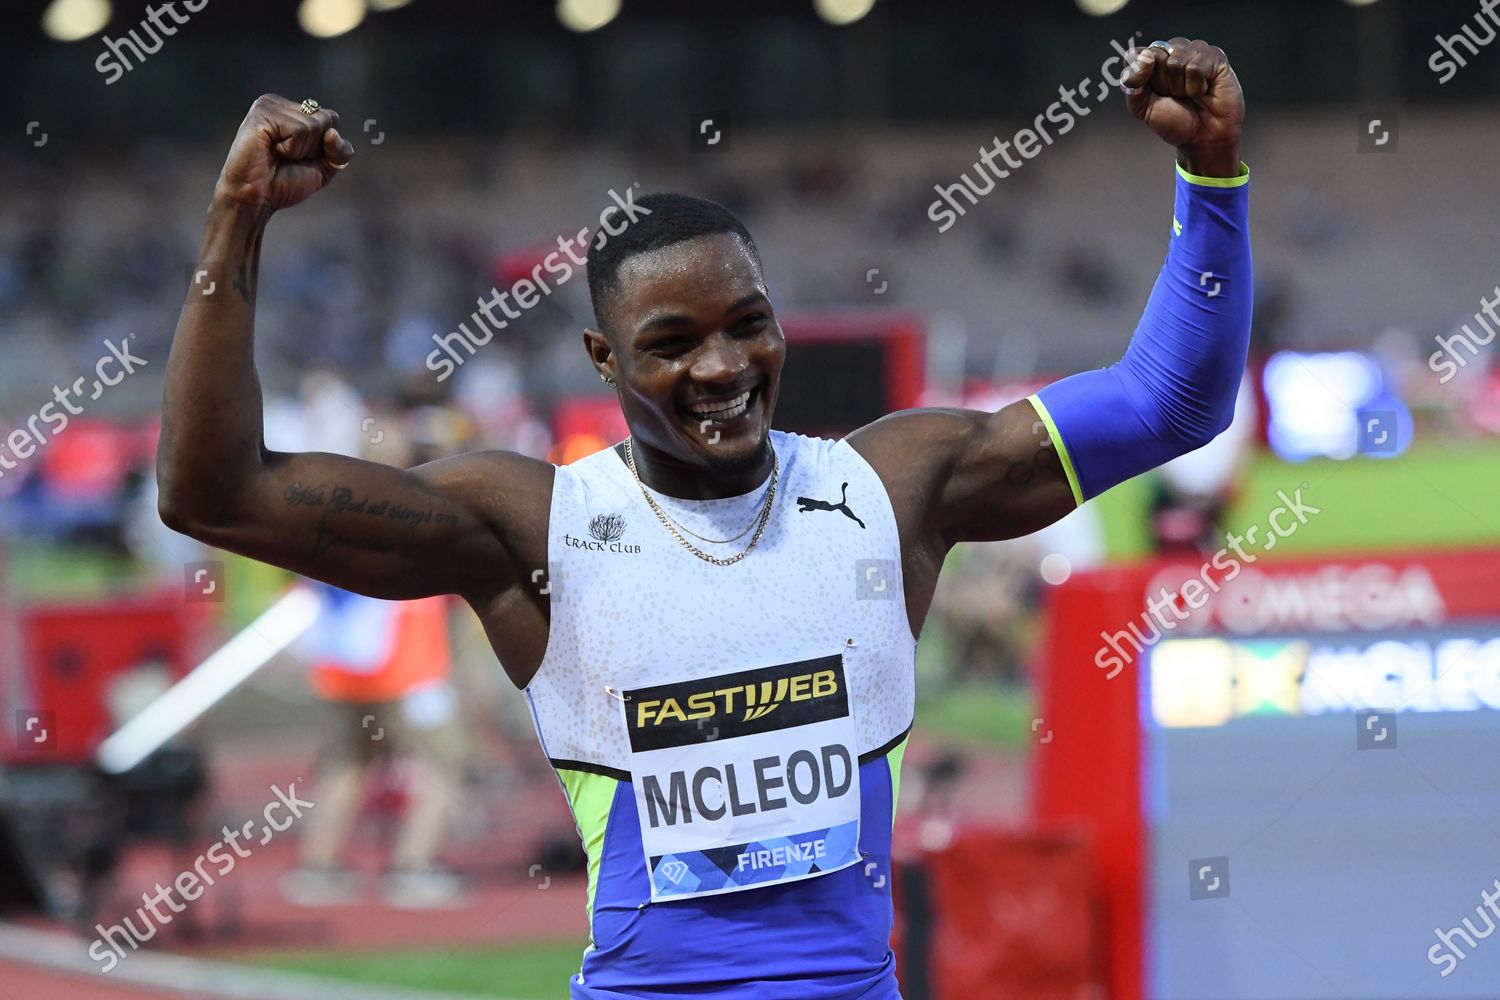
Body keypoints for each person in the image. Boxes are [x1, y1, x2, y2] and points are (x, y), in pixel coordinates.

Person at [158, 38, 1250, 998]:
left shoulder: (891, 489)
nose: (722, 366)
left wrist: (1210, 177)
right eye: (673, 341)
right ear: (604, 359)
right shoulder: (536, 525)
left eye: (749, 325)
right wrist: (236, 221)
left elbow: (1173, 402)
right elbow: (214, 491)